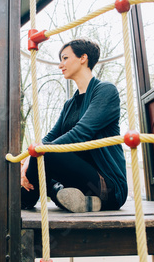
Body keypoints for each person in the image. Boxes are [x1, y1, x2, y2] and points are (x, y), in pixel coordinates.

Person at [20, 39, 128, 213]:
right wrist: (27, 160)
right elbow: (50, 137)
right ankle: (76, 199)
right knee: (34, 154)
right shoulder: (69, 104)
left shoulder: (106, 91)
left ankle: (25, 199)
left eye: (65, 58)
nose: (60, 65)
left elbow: (81, 133)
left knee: (43, 153)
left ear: (83, 58)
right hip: (78, 180)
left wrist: (35, 155)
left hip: (105, 184)